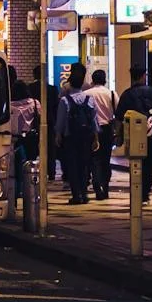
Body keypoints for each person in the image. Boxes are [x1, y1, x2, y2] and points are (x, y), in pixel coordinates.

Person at [116, 61, 152, 204]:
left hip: (133, 135)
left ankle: (137, 189)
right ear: (144, 76)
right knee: (149, 162)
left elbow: (119, 117)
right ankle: (145, 192)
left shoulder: (127, 94)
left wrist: (119, 136)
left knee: (135, 162)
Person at [54, 73, 99, 205]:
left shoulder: (65, 100)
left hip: (70, 137)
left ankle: (76, 195)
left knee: (72, 166)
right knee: (84, 165)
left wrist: (58, 135)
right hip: (86, 137)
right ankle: (84, 194)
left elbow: (60, 121)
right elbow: (94, 119)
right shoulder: (89, 99)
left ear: (70, 84)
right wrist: (96, 138)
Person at [85, 69, 118, 201]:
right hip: (107, 128)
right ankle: (105, 187)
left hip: (92, 129)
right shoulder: (111, 93)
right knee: (106, 159)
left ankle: (97, 186)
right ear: (105, 79)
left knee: (94, 159)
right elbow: (118, 111)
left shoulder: (86, 94)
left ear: (93, 80)